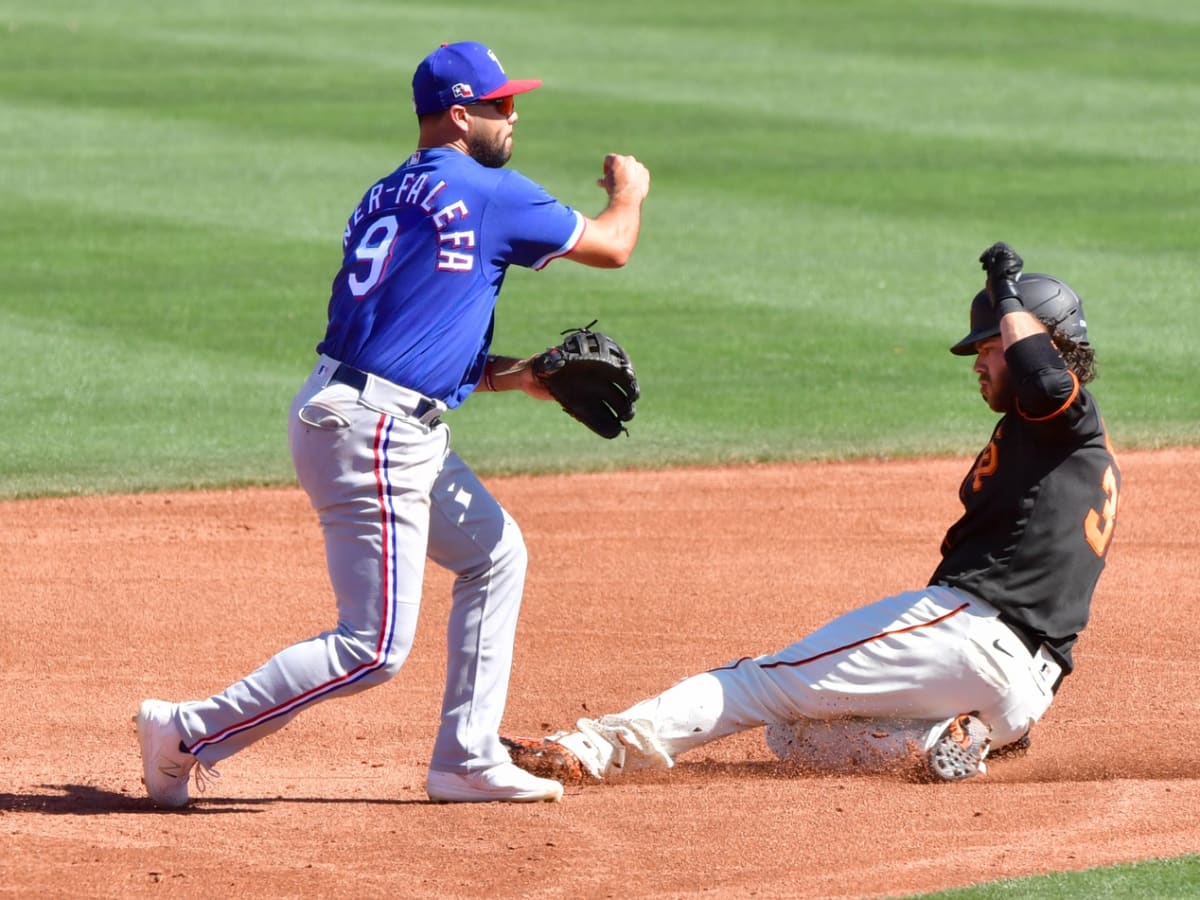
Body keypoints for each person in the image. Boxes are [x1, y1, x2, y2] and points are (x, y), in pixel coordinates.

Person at [136, 40, 651, 807]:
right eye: (500, 104)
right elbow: (612, 247)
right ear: (458, 113)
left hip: (361, 412)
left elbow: (412, 341)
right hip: (375, 430)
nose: (514, 116)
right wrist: (630, 191)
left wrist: (524, 378)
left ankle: (467, 759)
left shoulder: (384, 196)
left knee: (495, 556)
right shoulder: (485, 189)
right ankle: (184, 733)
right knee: (373, 647)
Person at [503, 242, 1120, 785]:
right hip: (1024, 694)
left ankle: (588, 748)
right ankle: (946, 740)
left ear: (1043, 341)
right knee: (792, 739)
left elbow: (1043, 380)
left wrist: (1006, 294)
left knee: (756, 685)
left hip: (970, 636)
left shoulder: (1065, 416)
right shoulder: (1076, 453)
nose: (980, 364)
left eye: (990, 347)